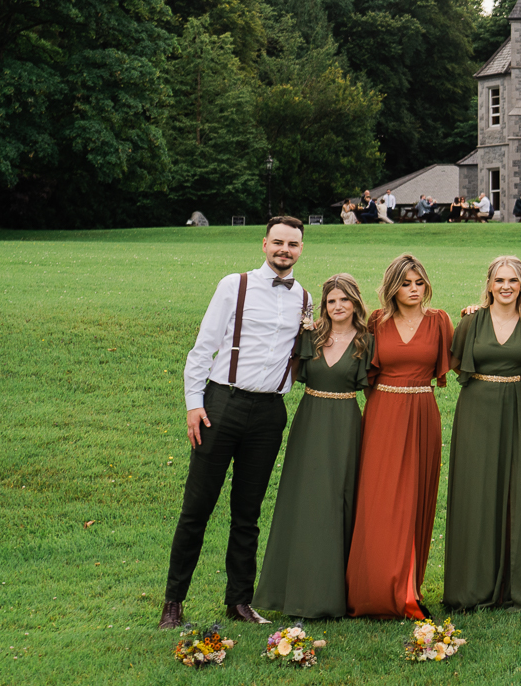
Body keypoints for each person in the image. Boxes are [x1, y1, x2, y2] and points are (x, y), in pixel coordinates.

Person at [158, 217, 311, 629]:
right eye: (278, 242)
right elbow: (202, 349)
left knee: (248, 511)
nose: (285, 250)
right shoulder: (234, 285)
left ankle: (239, 602)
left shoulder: (305, 299)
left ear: (301, 249)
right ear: (264, 244)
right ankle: (173, 603)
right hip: (221, 404)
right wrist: (194, 404)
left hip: (269, 413)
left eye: (292, 244)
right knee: (197, 508)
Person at [253, 274, 373, 619]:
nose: (338, 306)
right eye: (332, 301)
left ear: (355, 303)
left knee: (339, 501)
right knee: (305, 502)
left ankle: (335, 594)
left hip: (347, 423)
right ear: (324, 305)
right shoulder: (311, 335)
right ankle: (295, 593)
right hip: (310, 420)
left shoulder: (366, 341)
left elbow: (372, 392)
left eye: (344, 300)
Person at [347, 254, 453, 618]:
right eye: (405, 283)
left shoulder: (440, 321)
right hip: (384, 415)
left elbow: (469, 352)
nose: (413, 290)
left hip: (423, 413)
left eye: (419, 283)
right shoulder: (376, 322)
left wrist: (477, 311)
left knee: (416, 500)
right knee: (380, 499)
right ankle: (373, 589)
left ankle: (410, 588)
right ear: (392, 287)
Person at [444, 257, 521, 610]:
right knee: (476, 490)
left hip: (517, 410)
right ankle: (471, 586)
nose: (506, 286)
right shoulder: (472, 321)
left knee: (515, 490)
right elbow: (454, 360)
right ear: (489, 284)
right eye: (499, 280)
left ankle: (515, 584)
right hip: (476, 409)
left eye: (513, 280)